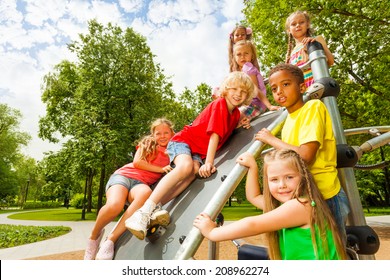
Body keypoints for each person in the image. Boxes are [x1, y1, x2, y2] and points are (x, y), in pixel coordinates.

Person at [125, 71, 255, 240]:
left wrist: (241, 123)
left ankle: (157, 207)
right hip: (183, 142)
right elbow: (214, 134)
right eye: (234, 89)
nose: (238, 94)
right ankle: (144, 210)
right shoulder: (220, 104)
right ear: (226, 89)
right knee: (185, 167)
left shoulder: (236, 114)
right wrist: (208, 163)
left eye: (243, 91)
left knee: (192, 173)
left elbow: (227, 130)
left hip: (197, 153)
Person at [255, 63, 350, 242]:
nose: (279, 92)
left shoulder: (312, 107)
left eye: (285, 84)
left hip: (325, 195)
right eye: (274, 88)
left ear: (301, 87)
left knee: (332, 251)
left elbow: (305, 156)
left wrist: (271, 140)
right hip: (304, 196)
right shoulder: (288, 121)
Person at [194, 149, 347, 260]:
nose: (282, 185)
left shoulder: (301, 205)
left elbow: (252, 224)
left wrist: (213, 233)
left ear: (303, 177)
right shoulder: (289, 207)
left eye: (289, 177)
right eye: (274, 179)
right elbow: (254, 197)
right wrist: (252, 168)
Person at [84, 118, 175, 260]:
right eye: (158, 133)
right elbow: (137, 163)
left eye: (166, 133)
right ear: (153, 134)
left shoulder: (175, 150)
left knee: (146, 193)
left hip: (141, 184)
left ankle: (110, 240)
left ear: (172, 133)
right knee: (115, 205)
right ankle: (93, 238)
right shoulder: (147, 144)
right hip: (123, 176)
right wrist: (161, 169)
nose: (162, 136)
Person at [231, 40, 280, 120]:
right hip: (249, 105)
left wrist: (269, 106)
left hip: (255, 104)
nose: (242, 57)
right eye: (239, 54)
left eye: (246, 53)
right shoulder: (241, 72)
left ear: (252, 55)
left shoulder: (248, 68)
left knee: (234, 118)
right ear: (235, 57)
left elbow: (255, 89)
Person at [285, 10, 334, 88]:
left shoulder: (316, 39)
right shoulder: (291, 53)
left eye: (301, 22)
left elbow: (330, 61)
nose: (297, 25)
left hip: (318, 86)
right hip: (302, 92)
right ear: (289, 30)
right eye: (293, 24)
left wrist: (312, 46)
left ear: (307, 25)